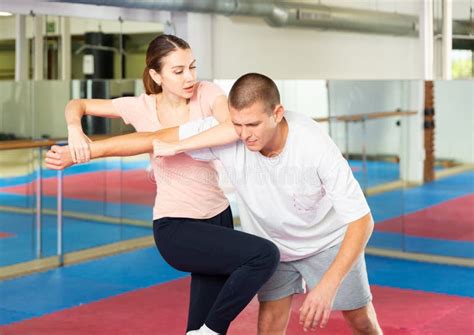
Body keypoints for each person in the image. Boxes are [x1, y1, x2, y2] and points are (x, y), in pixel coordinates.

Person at [47, 72, 382, 334]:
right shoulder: (226, 134)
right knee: (268, 329)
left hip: (327, 244)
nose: (244, 133)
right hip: (274, 246)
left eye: (252, 124)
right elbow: (150, 139)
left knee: (361, 322)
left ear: (277, 113)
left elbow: (362, 221)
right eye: (237, 124)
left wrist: (327, 286)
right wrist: (84, 153)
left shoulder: (313, 145)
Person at [49, 36, 279, 335]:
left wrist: (177, 145)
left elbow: (231, 127)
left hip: (218, 217)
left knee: (199, 325)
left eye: (193, 67)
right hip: (176, 224)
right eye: (179, 70)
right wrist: (75, 132)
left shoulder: (207, 93)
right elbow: (76, 104)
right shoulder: (139, 107)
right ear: (156, 75)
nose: (190, 77)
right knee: (263, 256)